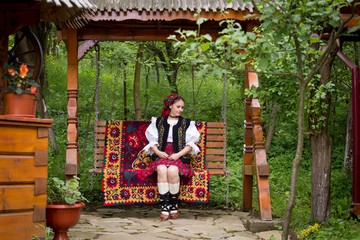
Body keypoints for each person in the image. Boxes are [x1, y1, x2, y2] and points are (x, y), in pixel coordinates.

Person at [141, 93, 200, 221]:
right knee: (162, 169)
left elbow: (190, 145)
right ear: (170, 106)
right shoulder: (158, 122)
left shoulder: (187, 123)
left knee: (172, 170)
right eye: (178, 106)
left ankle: (174, 204)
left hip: (179, 155)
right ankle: (164, 206)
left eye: (182, 107)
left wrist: (178, 154)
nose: (180, 110)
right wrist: (158, 153)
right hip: (161, 155)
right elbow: (152, 142)